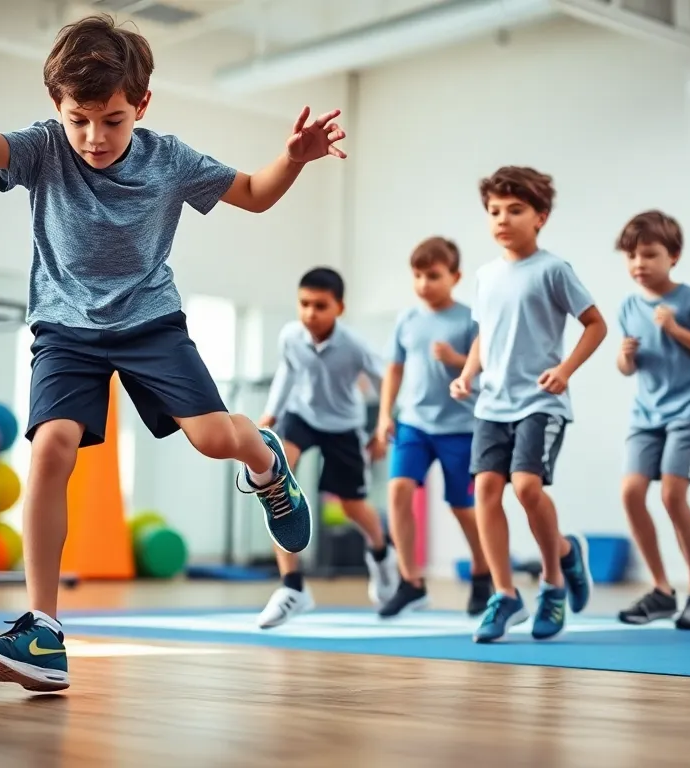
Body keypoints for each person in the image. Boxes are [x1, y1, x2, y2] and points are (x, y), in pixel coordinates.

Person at [0, 5, 345, 691]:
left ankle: (266, 460)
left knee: (214, 439)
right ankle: (42, 632)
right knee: (49, 448)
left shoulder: (170, 160)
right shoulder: (44, 148)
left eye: (111, 120)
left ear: (141, 104)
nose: (94, 137)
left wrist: (294, 156)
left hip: (150, 322)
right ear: (58, 106)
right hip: (65, 330)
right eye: (79, 119)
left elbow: (253, 193)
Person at [449, 166, 606, 643]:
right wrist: (467, 372)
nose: (502, 218)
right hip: (492, 404)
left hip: (541, 401)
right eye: (494, 211)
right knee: (485, 492)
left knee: (527, 487)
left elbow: (595, 324)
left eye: (514, 210)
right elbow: (484, 335)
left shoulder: (553, 270)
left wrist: (565, 371)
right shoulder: (484, 275)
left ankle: (554, 580)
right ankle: (504, 594)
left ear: (540, 216)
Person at [254, 267, 398, 629]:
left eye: (320, 306)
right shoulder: (290, 335)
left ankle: (382, 553)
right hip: (300, 417)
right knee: (275, 480)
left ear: (339, 308)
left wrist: (382, 428)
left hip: (343, 426)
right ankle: (293, 587)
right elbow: (287, 370)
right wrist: (271, 412)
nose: (310, 314)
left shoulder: (354, 346)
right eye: (304, 304)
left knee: (351, 506)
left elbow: (385, 380)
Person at [612, 210, 690, 630]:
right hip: (646, 415)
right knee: (630, 493)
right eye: (631, 256)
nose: (638, 264)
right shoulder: (628, 306)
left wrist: (676, 329)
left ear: (673, 257)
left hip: (689, 412)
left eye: (648, 254)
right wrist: (624, 358)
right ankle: (662, 591)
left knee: (671, 496)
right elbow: (628, 368)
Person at [374, 237, 491, 619]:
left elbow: (483, 366)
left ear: (455, 277)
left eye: (434, 276)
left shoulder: (470, 319)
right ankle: (410, 581)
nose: (425, 283)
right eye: (418, 275)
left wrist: (456, 358)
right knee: (398, 492)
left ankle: (482, 571)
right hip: (413, 424)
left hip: (460, 426)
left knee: (464, 507)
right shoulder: (407, 319)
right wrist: (384, 414)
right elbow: (394, 368)